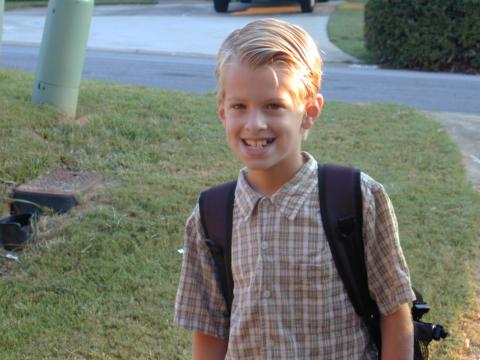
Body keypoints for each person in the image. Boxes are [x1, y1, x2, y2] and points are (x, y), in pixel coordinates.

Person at [174, 18, 415, 359]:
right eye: (239, 106)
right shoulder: (211, 216)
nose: (254, 123)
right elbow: (211, 330)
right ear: (222, 113)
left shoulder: (355, 198)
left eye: (274, 105)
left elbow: (394, 310)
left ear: (309, 111)